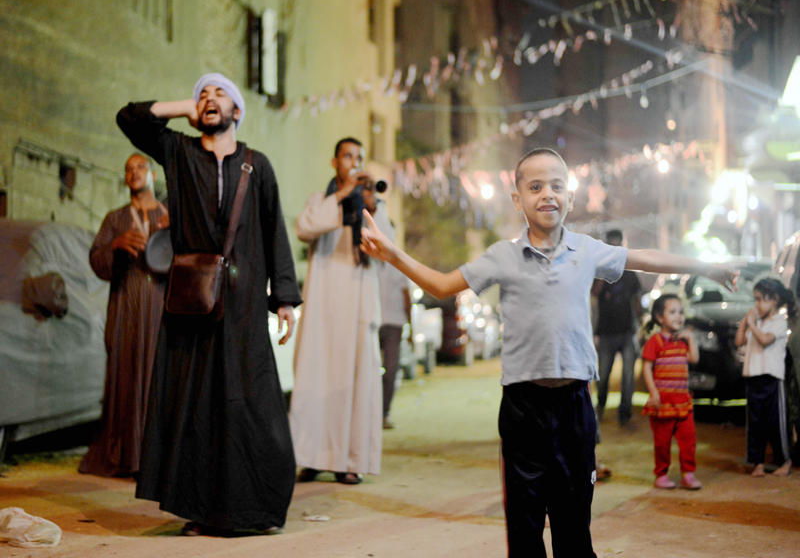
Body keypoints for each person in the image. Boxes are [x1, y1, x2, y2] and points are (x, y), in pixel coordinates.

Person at [358, 147, 738, 558]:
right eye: (535, 186)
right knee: (524, 531)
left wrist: (708, 267)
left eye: (557, 186)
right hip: (523, 408)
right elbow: (442, 284)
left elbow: (645, 258)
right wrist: (392, 254)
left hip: (574, 404)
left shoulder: (586, 251)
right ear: (517, 199)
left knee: (573, 526)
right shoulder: (503, 256)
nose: (547, 195)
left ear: (570, 198)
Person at [116, 72, 303, 535]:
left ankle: (254, 508)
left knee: (250, 402)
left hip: (244, 306)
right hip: (193, 303)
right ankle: (203, 511)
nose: (209, 99)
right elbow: (130, 118)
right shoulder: (179, 153)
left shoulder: (257, 166)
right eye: (203, 94)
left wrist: (283, 298)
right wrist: (186, 105)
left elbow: (274, 231)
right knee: (196, 406)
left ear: (238, 111)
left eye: (220, 94)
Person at [290, 137, 383, 485]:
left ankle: (349, 460)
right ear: (335, 162)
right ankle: (312, 457)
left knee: (354, 383)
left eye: (359, 157)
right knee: (316, 379)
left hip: (357, 306)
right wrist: (343, 194)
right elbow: (305, 228)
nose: (354, 162)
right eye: (348, 156)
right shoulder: (322, 200)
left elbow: (387, 249)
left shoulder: (372, 205)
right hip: (323, 309)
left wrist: (372, 207)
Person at [79, 153, 168, 477]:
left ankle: (158, 458)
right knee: (126, 377)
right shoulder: (115, 219)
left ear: (153, 174)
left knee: (159, 376)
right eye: (128, 169)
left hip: (161, 307)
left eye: (140, 166)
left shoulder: (169, 216)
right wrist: (115, 245)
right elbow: (96, 261)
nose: (134, 172)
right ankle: (126, 457)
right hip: (126, 306)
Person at [362, 177, 412, 429]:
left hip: (393, 321)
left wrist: (410, 326)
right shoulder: (366, 259)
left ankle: (384, 413)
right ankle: (367, 413)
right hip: (370, 318)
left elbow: (407, 296)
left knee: (390, 369)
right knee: (367, 369)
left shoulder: (399, 263)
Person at [735, 277, 795, 477]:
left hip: (772, 379)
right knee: (755, 423)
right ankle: (757, 463)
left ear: (775, 300)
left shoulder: (779, 322)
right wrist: (746, 322)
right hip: (753, 376)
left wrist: (752, 324)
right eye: (756, 299)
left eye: (761, 299)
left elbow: (765, 340)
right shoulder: (757, 322)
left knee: (775, 422)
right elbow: (739, 341)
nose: (757, 304)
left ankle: (784, 461)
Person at [641, 294, 702, 490]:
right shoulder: (655, 341)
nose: (679, 316)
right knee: (662, 442)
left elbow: (694, 359)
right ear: (660, 317)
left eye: (681, 312)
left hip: (683, 402)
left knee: (689, 440)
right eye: (673, 312)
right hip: (663, 403)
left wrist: (691, 339)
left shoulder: (682, 341)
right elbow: (646, 368)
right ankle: (661, 474)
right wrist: (653, 393)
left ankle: (688, 474)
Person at [591, 229, 642, 426]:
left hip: (627, 332)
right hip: (606, 333)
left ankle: (625, 414)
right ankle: (601, 405)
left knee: (628, 376)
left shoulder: (629, 271)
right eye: (610, 245)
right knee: (603, 376)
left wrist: (641, 324)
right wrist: (604, 271)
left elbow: (636, 299)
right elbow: (594, 294)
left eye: (617, 244)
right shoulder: (599, 269)